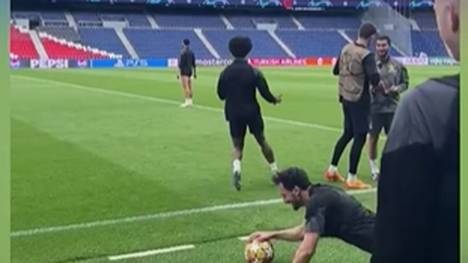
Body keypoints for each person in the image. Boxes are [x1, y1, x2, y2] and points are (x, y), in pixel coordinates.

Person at [371, 0, 459, 261]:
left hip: (396, 111)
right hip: (378, 109)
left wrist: (394, 91)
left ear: (451, 17)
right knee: (374, 138)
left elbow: (397, 240)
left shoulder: (428, 106)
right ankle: (371, 164)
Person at [248, 167, 375, 263]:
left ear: (296, 191)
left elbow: (306, 252)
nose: (285, 201)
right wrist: (272, 234)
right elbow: (303, 231)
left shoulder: (316, 203)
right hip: (386, 242)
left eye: (284, 195)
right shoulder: (320, 194)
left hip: (389, 246)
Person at [217, 36, 282, 191]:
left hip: (233, 112)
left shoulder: (225, 72)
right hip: (252, 111)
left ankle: (237, 168)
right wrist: (274, 100)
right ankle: (274, 171)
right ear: (248, 50)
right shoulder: (254, 71)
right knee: (262, 140)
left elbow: (221, 94)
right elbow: (265, 93)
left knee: (237, 145)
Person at [324, 23, 380, 189]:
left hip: (345, 96)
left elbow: (335, 71)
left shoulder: (346, 48)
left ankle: (332, 169)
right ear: (370, 37)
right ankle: (352, 177)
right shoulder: (366, 55)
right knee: (360, 135)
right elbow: (374, 78)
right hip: (359, 99)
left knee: (347, 133)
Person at [368, 35, 409, 180]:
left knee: (393, 139)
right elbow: (364, 83)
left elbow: (405, 83)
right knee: (373, 138)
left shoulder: (398, 65)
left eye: (384, 45)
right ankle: (374, 169)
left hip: (392, 108)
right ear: (375, 47)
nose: (381, 48)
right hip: (374, 108)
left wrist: (395, 89)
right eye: (378, 45)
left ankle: (391, 166)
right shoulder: (370, 64)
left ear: (389, 46)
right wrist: (371, 89)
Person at [178, 38, 196, 107]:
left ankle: (187, 101)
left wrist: (178, 73)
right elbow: (194, 63)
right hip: (190, 71)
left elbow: (181, 64)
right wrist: (194, 73)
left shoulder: (183, 52)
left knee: (185, 87)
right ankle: (190, 101)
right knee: (190, 86)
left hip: (184, 71)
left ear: (183, 43)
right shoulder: (191, 52)